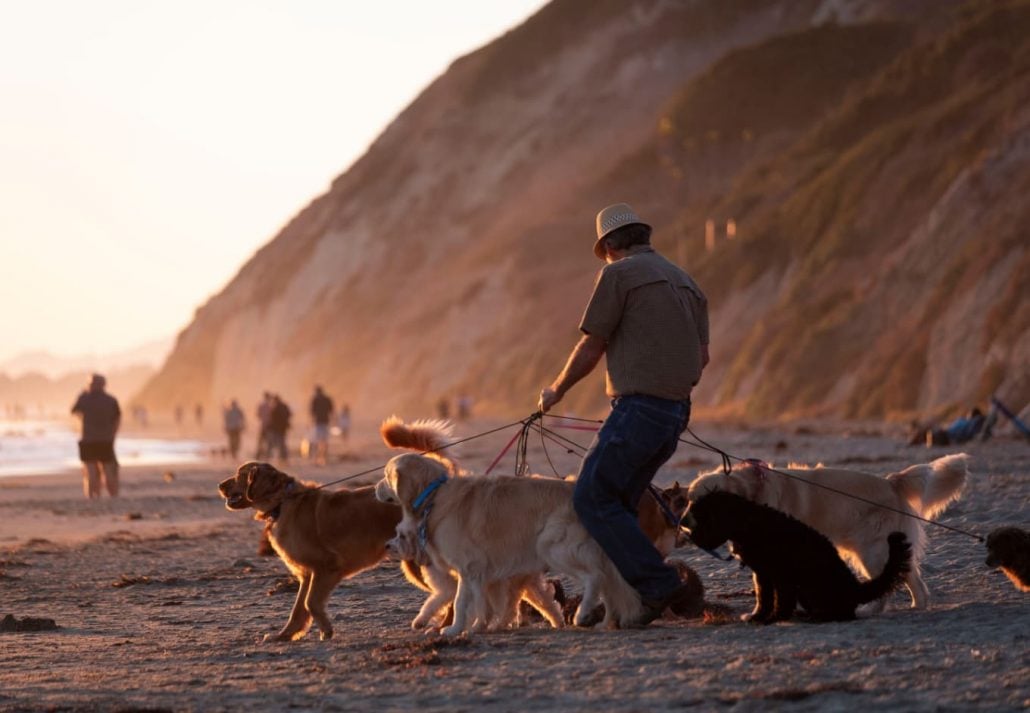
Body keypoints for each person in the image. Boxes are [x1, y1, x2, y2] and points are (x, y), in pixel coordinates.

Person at [538, 203, 710, 626]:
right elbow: (702, 357)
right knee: (620, 503)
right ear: (645, 236)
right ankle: (632, 594)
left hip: (639, 409)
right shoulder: (687, 282)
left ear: (610, 245)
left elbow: (592, 347)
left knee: (592, 497)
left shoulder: (617, 274)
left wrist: (556, 391)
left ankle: (659, 585)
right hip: (675, 412)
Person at [71, 373, 122, 498]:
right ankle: (113, 496)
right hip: (106, 440)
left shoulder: (83, 398)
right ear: (104, 385)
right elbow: (117, 418)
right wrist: (112, 434)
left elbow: (74, 411)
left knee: (90, 471)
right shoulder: (111, 400)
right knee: (109, 470)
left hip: (88, 439)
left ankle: (92, 497)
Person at [309, 386, 334, 466]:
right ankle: (324, 458)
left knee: (317, 441)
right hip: (325, 422)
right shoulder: (327, 399)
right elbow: (331, 410)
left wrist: (311, 420)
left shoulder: (315, 399)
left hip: (318, 422)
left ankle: (317, 459)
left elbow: (312, 411)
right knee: (324, 441)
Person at [267, 394, 292, 462]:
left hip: (277, 428)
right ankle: (283, 457)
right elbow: (289, 414)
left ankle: (281, 457)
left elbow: (272, 418)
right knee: (282, 442)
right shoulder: (284, 406)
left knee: (277, 442)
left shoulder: (275, 407)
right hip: (283, 428)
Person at [255, 392, 272, 459]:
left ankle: (258, 455)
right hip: (269, 426)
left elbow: (258, 414)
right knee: (268, 442)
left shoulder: (261, 405)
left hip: (262, 425)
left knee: (261, 441)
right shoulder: (270, 406)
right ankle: (267, 455)